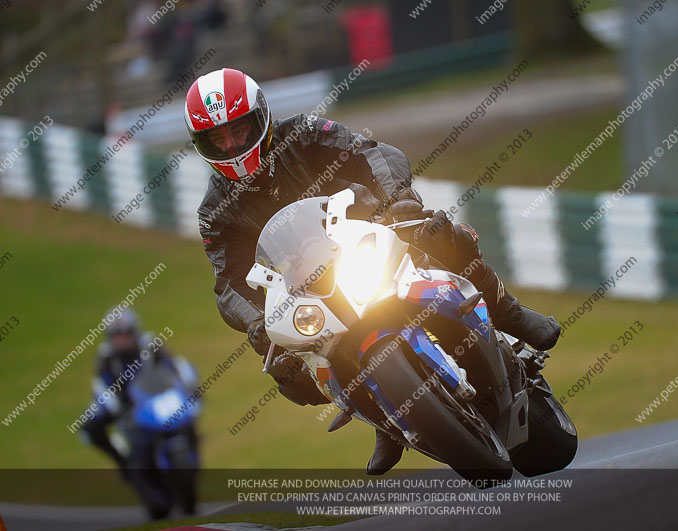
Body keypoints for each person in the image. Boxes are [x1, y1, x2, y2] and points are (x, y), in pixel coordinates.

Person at [186, 68, 561, 475]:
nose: (232, 144)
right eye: (217, 139)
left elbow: (372, 153)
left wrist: (400, 199)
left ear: (261, 120)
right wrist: (258, 322)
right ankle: (388, 419)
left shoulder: (306, 132)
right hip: (307, 291)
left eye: (238, 131)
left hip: (370, 235)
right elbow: (229, 283)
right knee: (289, 374)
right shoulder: (215, 211)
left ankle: (508, 312)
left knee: (443, 235)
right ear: (202, 145)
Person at [78, 309, 199, 519]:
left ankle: (188, 492)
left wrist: (188, 391)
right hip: (131, 414)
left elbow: (175, 368)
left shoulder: (151, 346)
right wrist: (117, 408)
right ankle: (128, 469)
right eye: (117, 335)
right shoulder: (107, 359)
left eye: (126, 333)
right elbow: (103, 387)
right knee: (95, 430)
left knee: (189, 426)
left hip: (160, 403)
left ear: (134, 331)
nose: (122, 339)